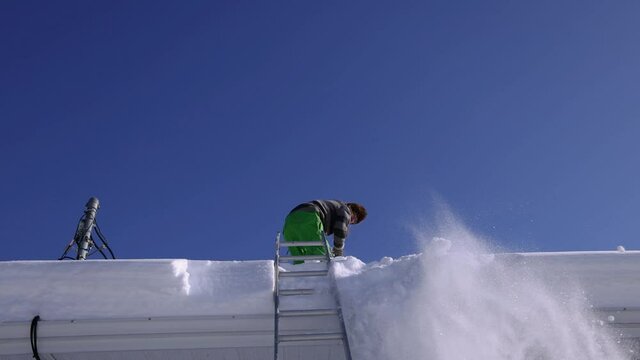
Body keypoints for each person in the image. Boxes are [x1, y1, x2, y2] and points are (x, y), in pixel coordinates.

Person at [283, 200, 367, 259]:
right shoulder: (345, 209)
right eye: (353, 218)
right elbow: (340, 229)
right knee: (323, 253)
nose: (350, 221)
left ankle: (303, 282)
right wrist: (338, 251)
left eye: (353, 222)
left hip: (290, 221)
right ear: (352, 209)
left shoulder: (336, 208)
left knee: (301, 260)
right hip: (309, 216)